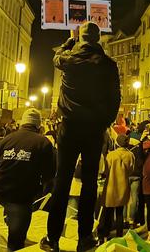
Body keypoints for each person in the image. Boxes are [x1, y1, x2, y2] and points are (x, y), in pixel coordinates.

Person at [41, 22, 121, 252]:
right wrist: (104, 123)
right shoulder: (108, 65)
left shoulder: (69, 60)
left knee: (62, 181)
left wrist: (70, 41)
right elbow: (115, 99)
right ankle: (85, 238)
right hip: (94, 130)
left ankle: (52, 238)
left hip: (69, 128)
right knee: (89, 184)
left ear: (82, 38)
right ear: (98, 39)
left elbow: (57, 56)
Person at [0, 109, 55, 251]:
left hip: (0, 190)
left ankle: (10, 221)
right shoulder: (43, 143)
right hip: (21, 194)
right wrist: (43, 193)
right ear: (38, 125)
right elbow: (49, 175)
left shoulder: (6, 139)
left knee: (13, 217)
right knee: (17, 238)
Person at [98, 134, 134, 242]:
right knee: (120, 213)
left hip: (111, 186)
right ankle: (119, 236)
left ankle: (105, 235)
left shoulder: (111, 155)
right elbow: (131, 170)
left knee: (108, 212)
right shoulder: (130, 155)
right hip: (123, 186)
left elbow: (105, 170)